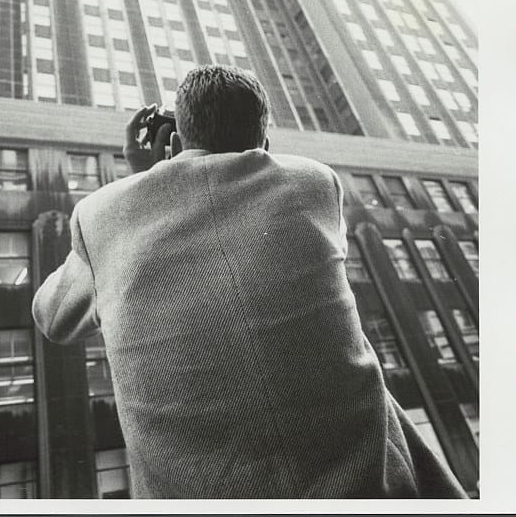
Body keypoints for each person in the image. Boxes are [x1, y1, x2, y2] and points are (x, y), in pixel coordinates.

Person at [31, 64, 467, 499]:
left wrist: (144, 180)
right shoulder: (314, 183)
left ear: (177, 143)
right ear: (266, 145)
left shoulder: (99, 215)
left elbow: (52, 317)